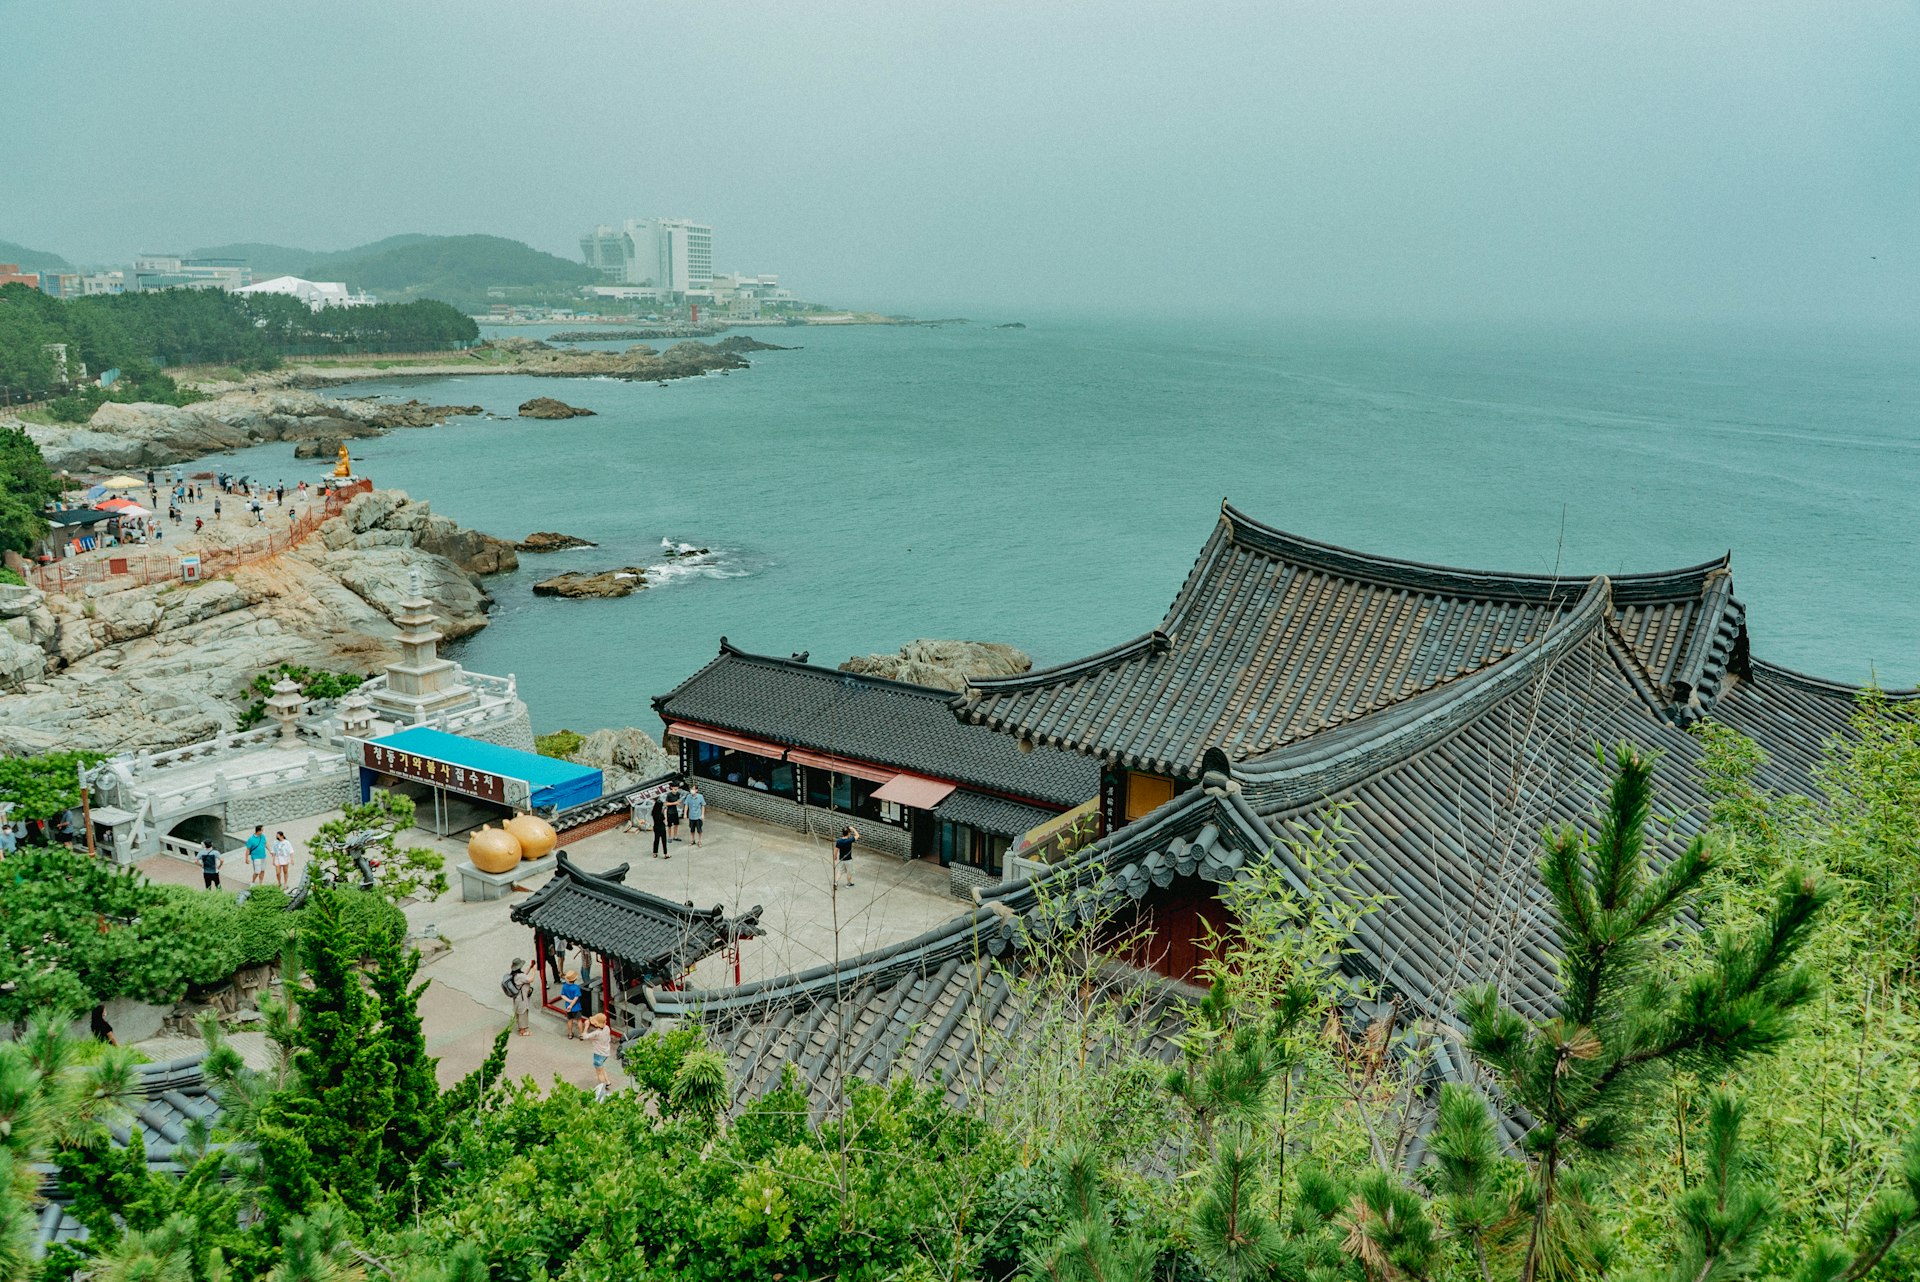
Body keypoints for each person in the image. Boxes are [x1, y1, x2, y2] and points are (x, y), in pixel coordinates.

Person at [583, 1012, 614, 1100]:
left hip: (598, 1054)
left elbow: (584, 1036)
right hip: (606, 1053)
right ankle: (607, 1081)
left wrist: (586, 1027)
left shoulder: (596, 1033)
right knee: (602, 1067)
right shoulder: (607, 1028)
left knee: (599, 1072)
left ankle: (602, 1087)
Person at [509, 959, 535, 1036]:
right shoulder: (520, 976)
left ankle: (520, 1027)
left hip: (517, 997)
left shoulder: (515, 975)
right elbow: (531, 979)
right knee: (523, 1013)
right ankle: (522, 1031)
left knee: (519, 1012)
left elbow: (524, 976)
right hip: (522, 998)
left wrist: (530, 967)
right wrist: (534, 970)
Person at [559, 969, 584, 1038]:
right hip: (577, 1007)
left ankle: (570, 1034)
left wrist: (569, 1001)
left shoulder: (565, 986)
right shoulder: (576, 988)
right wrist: (572, 1004)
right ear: (575, 979)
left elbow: (562, 995)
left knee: (570, 1020)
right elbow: (576, 998)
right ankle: (581, 1034)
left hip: (568, 1007)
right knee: (579, 1020)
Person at [834, 824, 859, 888]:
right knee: (849, 872)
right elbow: (857, 835)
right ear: (848, 833)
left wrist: (835, 856)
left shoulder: (839, 841)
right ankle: (848, 883)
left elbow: (836, 850)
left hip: (841, 859)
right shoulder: (849, 840)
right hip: (848, 860)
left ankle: (836, 882)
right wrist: (853, 829)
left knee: (839, 871)